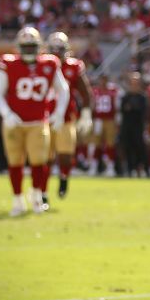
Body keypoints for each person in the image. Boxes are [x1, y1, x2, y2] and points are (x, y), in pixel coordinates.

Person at [0, 27, 69, 216]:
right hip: (14, 123)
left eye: (32, 46)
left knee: (39, 162)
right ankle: (17, 200)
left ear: (39, 46)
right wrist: (6, 113)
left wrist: (59, 113)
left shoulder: (50, 63)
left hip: (38, 122)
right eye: (25, 46)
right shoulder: (9, 63)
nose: (28, 50)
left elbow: (63, 89)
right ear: (19, 46)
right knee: (15, 162)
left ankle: (36, 196)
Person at [45, 32, 92, 198]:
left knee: (65, 156)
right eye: (54, 50)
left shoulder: (73, 66)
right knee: (45, 158)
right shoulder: (41, 65)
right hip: (44, 118)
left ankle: (63, 179)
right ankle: (42, 191)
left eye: (60, 50)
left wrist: (86, 114)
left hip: (66, 117)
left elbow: (85, 93)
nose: (57, 53)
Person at [118, 73, 149, 178]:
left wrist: (132, 108)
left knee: (140, 147)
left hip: (138, 126)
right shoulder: (126, 96)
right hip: (127, 126)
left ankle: (141, 168)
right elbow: (123, 109)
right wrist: (133, 108)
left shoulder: (142, 97)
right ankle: (130, 169)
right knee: (128, 147)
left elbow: (142, 110)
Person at [92, 75, 120, 175]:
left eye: (105, 80)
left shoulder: (113, 91)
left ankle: (110, 167)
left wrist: (117, 121)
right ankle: (94, 167)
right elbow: (93, 106)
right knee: (96, 144)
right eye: (101, 80)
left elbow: (117, 107)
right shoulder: (95, 91)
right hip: (98, 120)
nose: (103, 82)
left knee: (110, 144)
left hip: (110, 120)